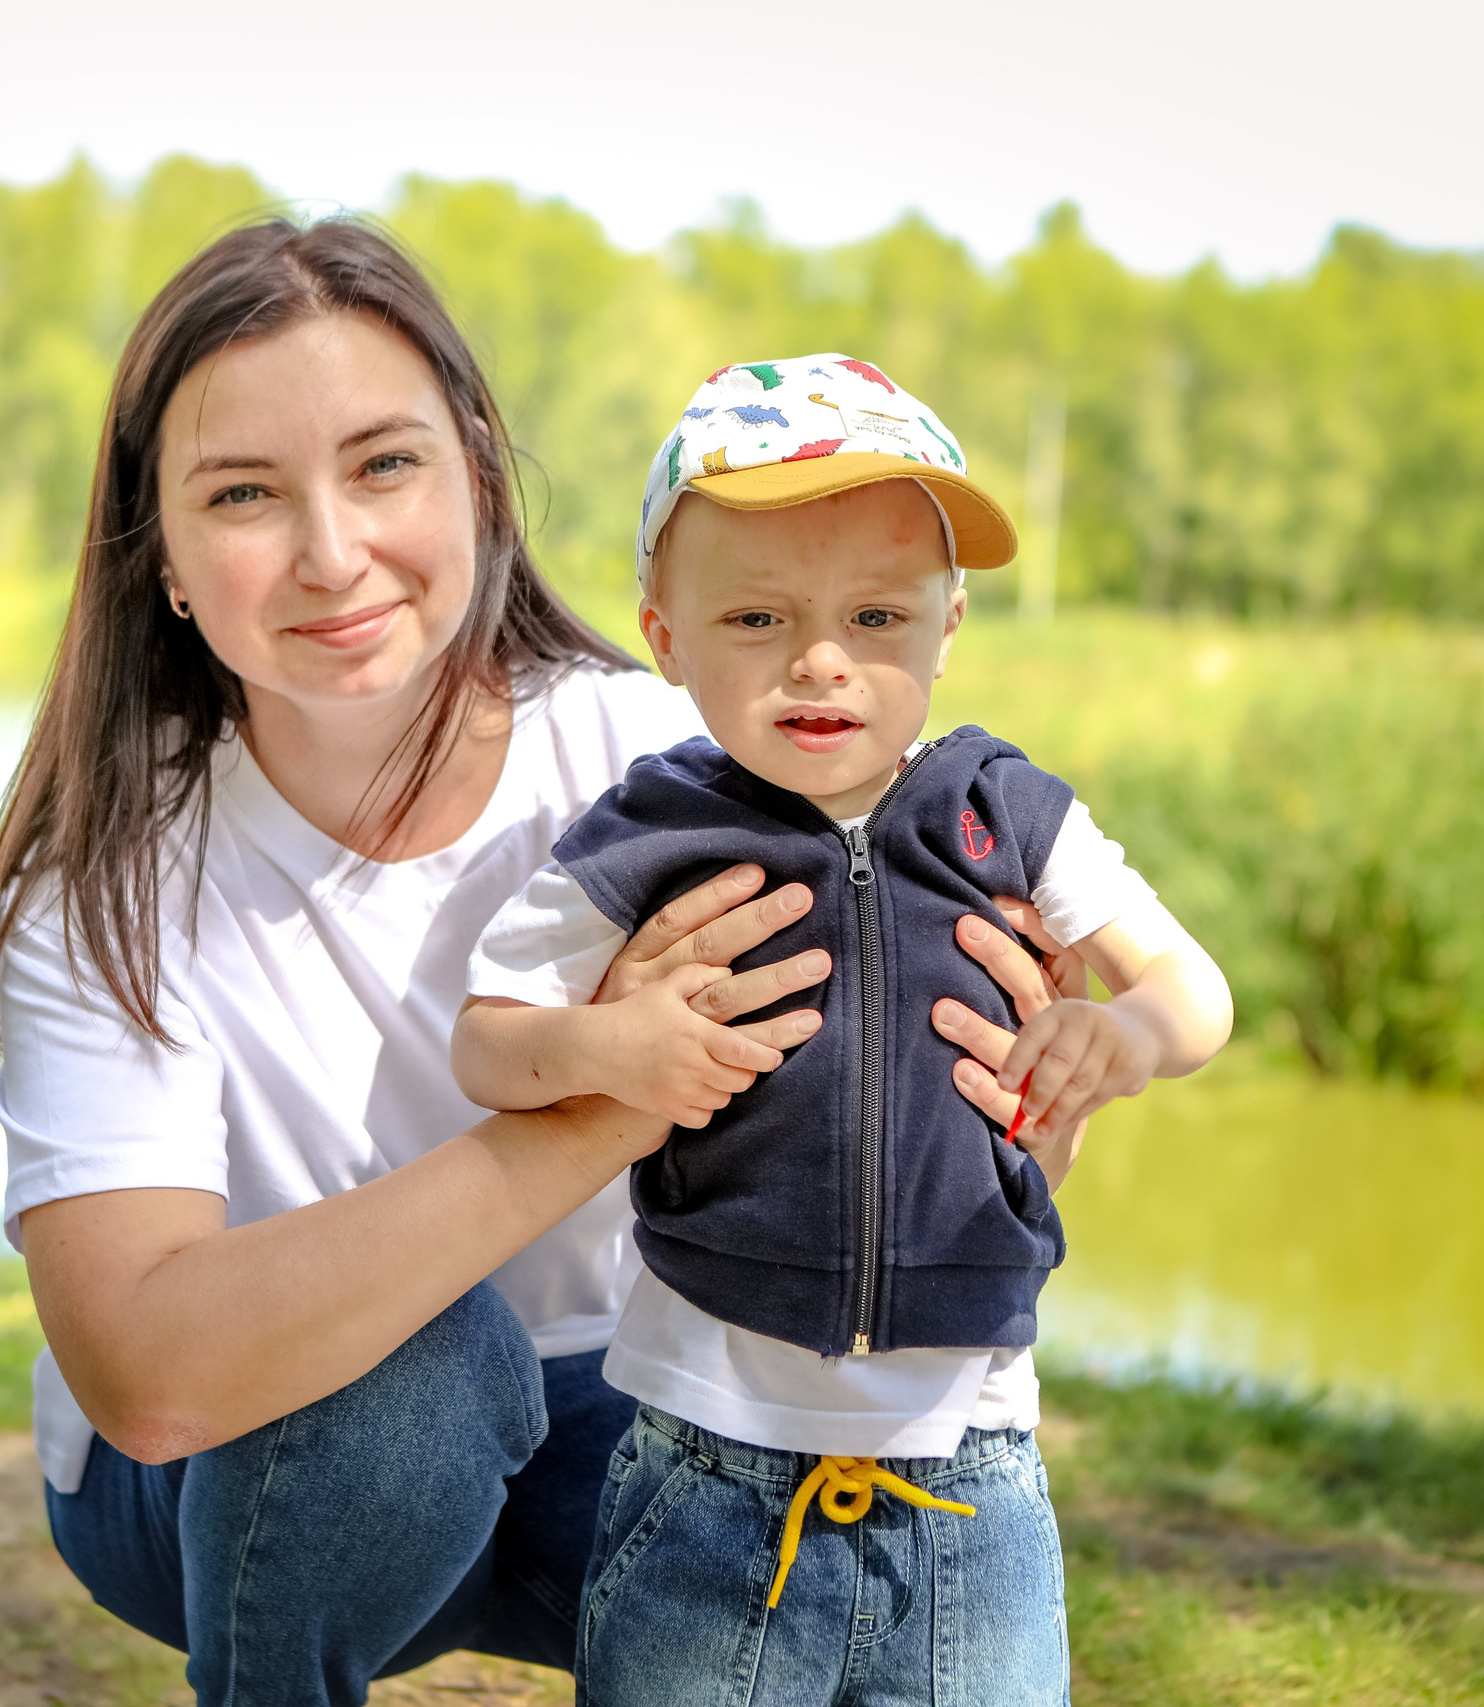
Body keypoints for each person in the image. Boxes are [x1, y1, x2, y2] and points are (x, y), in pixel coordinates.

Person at [0, 229, 1086, 1707]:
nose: (330, 552)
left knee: (829, 1443)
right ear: (158, 555)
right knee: (420, 1369)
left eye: (384, 467)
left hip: (636, 1431)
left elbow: (951, 1127)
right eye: (243, 494)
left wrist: (1026, 1089)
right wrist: (616, 1094)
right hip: (239, 1468)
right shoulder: (107, 877)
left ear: (479, 479)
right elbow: (147, 1374)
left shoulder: (676, 764)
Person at [452, 356, 1235, 1706]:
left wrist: (1134, 1037)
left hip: (974, 1469)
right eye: (757, 617)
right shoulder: (654, 827)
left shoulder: (1008, 812)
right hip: (707, 1452)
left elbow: (1195, 991)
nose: (822, 661)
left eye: (877, 614)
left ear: (949, 627)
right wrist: (605, 1050)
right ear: (667, 638)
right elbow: (488, 1039)